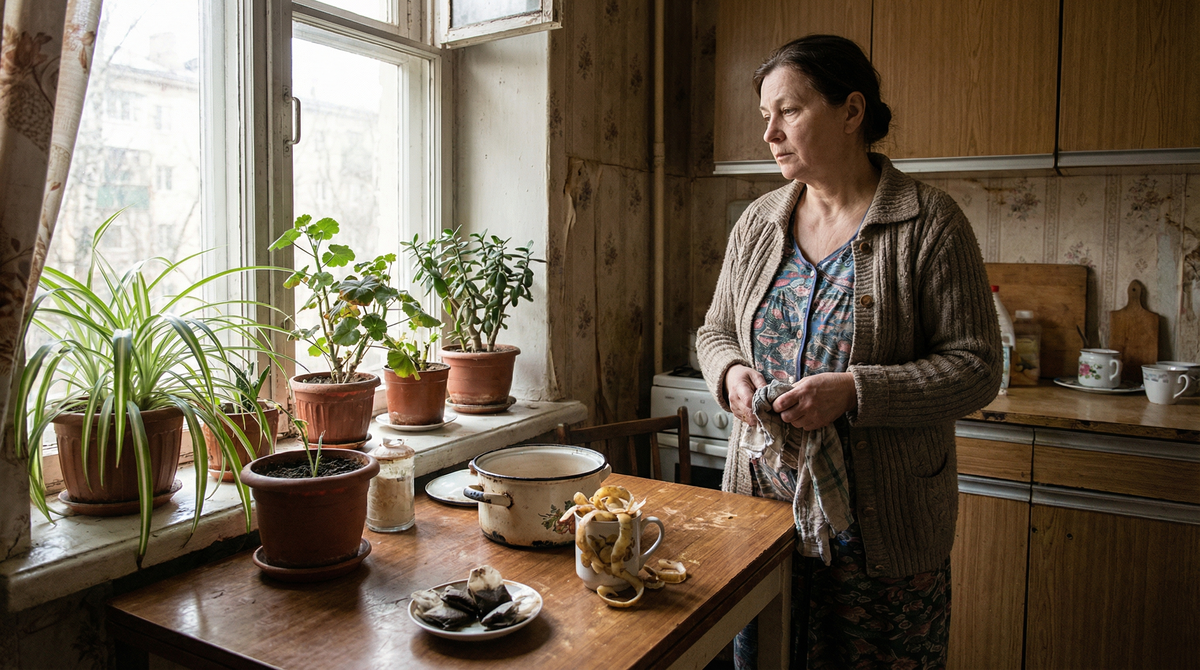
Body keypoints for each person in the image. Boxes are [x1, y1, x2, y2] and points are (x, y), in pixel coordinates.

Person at [696, 34, 1003, 669]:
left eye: (789, 111)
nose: (770, 134)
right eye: (766, 115)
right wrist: (731, 373)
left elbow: (975, 367)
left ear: (851, 112)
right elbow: (715, 330)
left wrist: (855, 391)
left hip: (881, 535)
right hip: (763, 520)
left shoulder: (930, 223)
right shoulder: (757, 223)